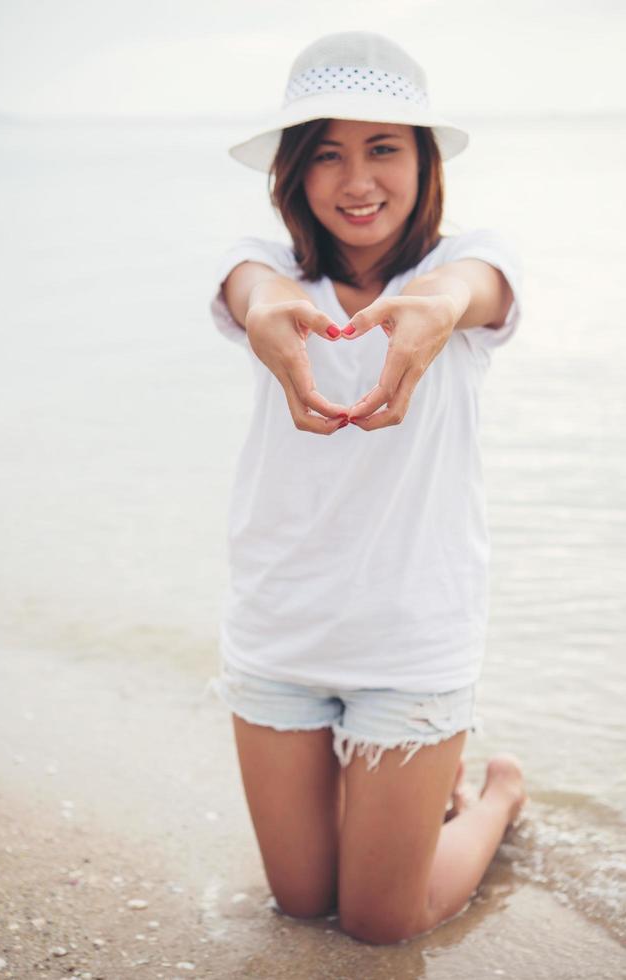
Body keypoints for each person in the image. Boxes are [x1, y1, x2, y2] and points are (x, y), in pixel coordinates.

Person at [207, 30, 528, 946]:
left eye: (384, 148)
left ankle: (494, 794)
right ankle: (430, 794)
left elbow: (474, 290)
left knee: (382, 923)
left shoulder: (467, 266)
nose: (358, 181)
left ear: (426, 163)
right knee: (301, 906)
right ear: (293, 175)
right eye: (327, 155)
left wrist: (435, 308)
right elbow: (250, 290)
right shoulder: (270, 274)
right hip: (281, 633)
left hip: (412, 639)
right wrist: (269, 309)